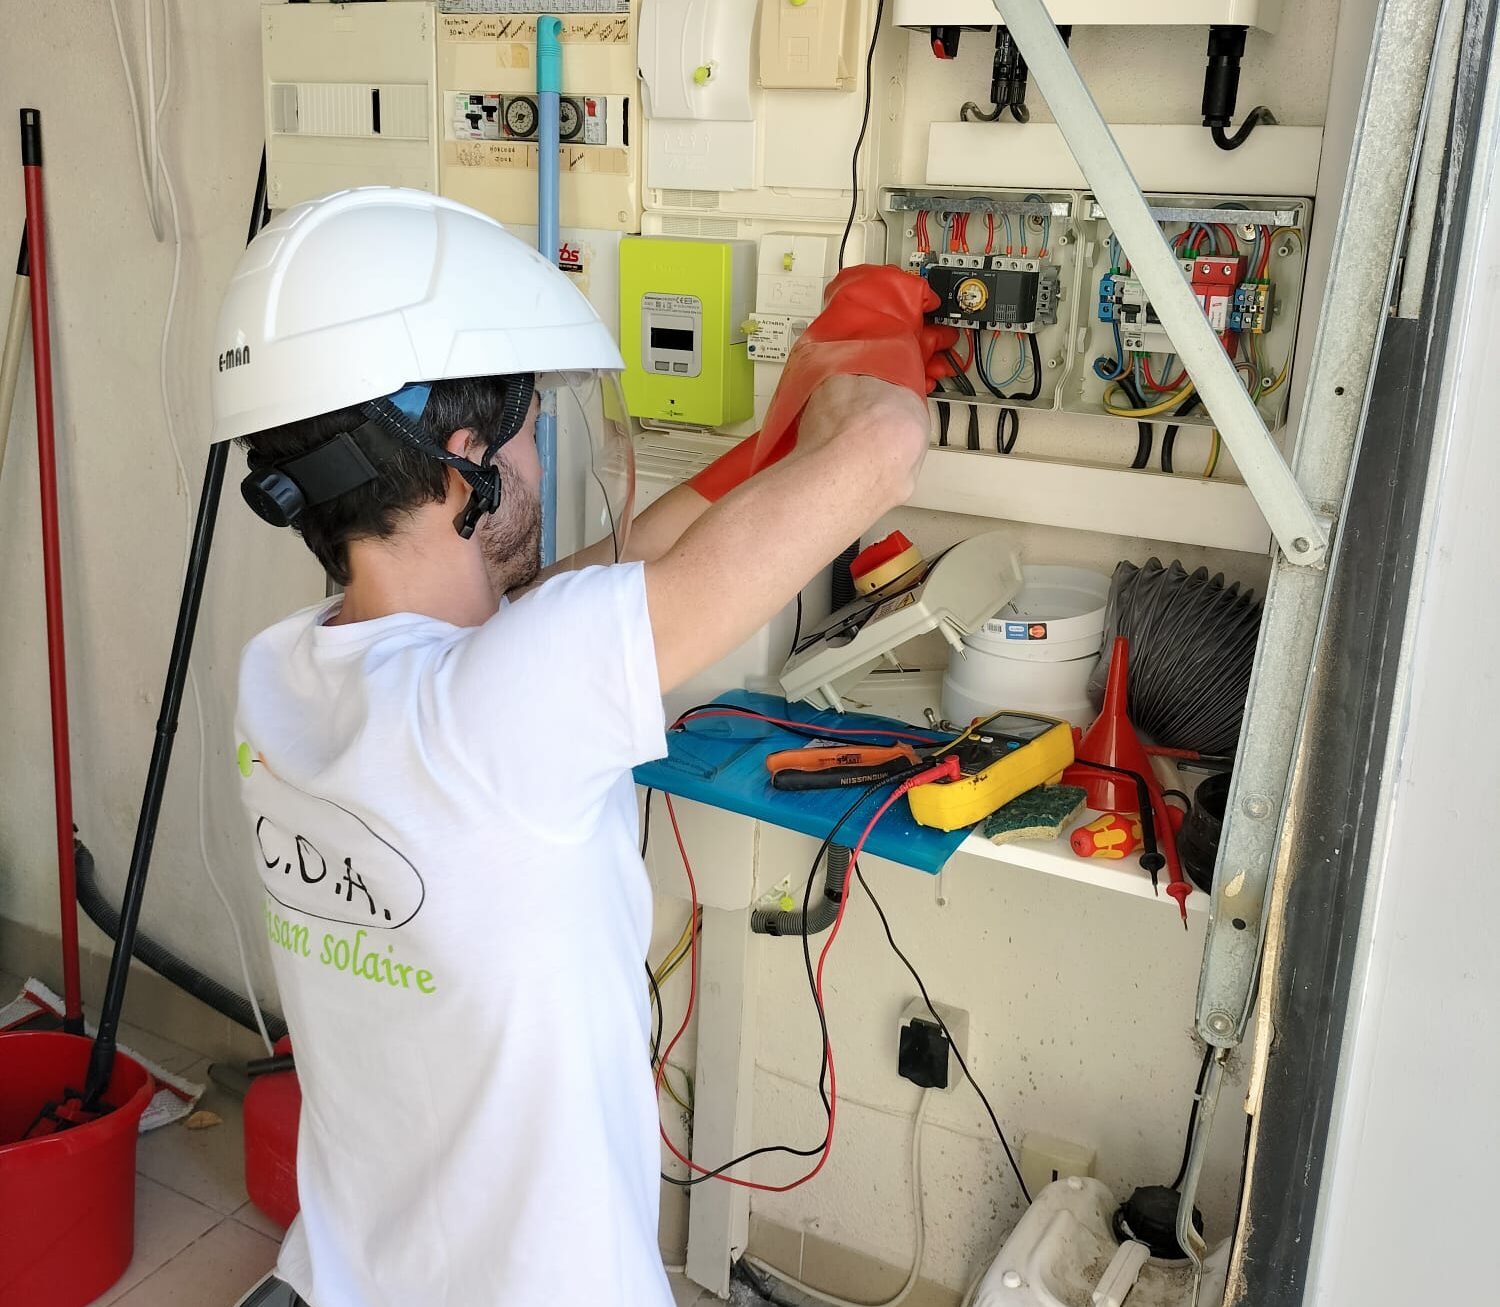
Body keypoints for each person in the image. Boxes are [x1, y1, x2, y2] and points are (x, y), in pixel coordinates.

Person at [213, 187, 949, 1307]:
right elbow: (887, 450)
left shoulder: (283, 675)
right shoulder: (507, 700)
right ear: (464, 455)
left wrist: (777, 442)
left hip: (363, 1273)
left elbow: (607, 573)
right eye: (526, 423)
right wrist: (870, 349)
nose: (540, 447)